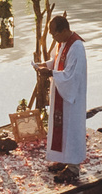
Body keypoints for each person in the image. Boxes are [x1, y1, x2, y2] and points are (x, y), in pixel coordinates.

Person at [37, 12, 87, 178]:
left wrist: (50, 72)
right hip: (61, 92)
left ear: (64, 30)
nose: (53, 38)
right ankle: (63, 159)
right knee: (61, 126)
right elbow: (59, 62)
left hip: (72, 96)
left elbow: (71, 75)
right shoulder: (63, 43)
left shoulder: (77, 46)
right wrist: (46, 65)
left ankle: (73, 168)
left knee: (71, 128)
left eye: (54, 34)